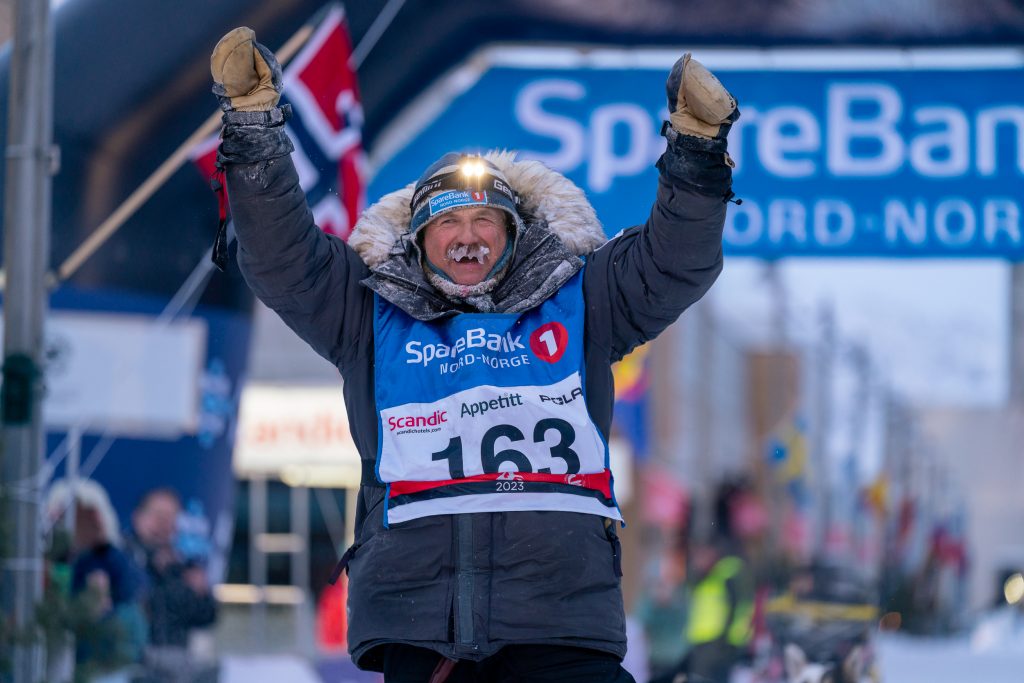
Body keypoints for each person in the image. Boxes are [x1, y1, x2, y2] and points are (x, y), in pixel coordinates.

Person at [209, 26, 739, 682]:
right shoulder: (367, 311)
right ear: (419, 240)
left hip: (560, 620)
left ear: (513, 238)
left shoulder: (586, 301)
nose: (467, 235)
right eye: (448, 223)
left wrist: (696, 152)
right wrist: (255, 132)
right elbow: (282, 256)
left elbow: (674, 261)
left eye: (485, 222)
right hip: (420, 627)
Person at [46, 479, 147, 683]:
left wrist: (102, 543)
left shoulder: (108, 558)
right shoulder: (45, 558)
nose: (78, 524)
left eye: (87, 516)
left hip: (101, 663)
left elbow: (135, 590)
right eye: (70, 515)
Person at [124, 488, 217, 683]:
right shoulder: (123, 557)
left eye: (170, 516)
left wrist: (200, 592)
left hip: (176, 662)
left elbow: (207, 616)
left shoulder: (183, 566)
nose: (163, 523)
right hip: (131, 663)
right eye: (157, 515)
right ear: (138, 517)